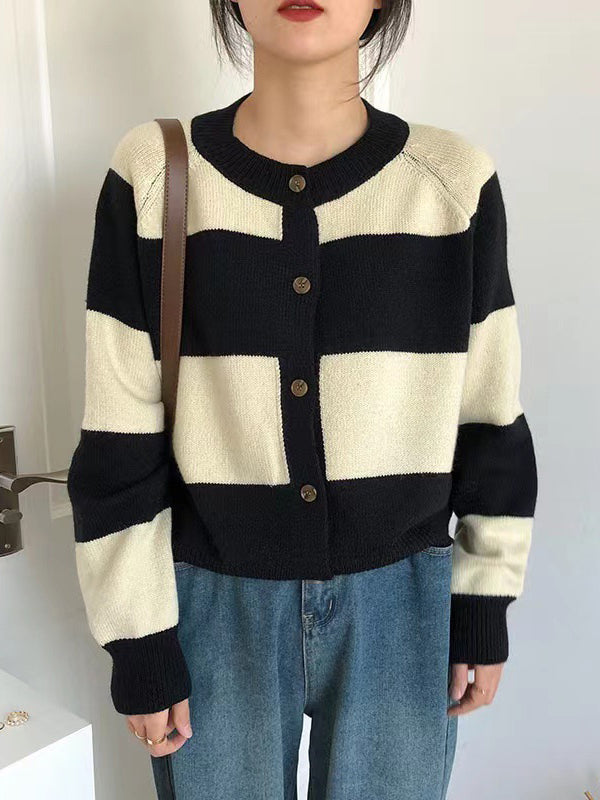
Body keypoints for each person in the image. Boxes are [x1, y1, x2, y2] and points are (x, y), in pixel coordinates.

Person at [66, 0, 538, 798]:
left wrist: (483, 601)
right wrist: (137, 640)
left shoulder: (453, 183)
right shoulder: (154, 176)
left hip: (403, 603)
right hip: (212, 602)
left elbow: (490, 417)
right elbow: (119, 434)